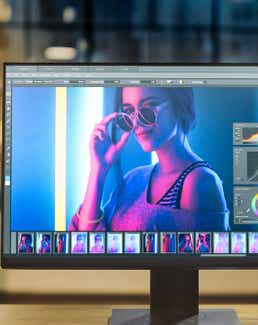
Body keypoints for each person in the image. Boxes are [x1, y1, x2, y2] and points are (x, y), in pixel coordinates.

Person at [70, 87, 229, 232]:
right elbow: (86, 243)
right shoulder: (133, 179)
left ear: (179, 104)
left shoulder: (199, 181)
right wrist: (99, 170)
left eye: (149, 106)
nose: (136, 122)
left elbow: (200, 259)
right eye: (129, 111)